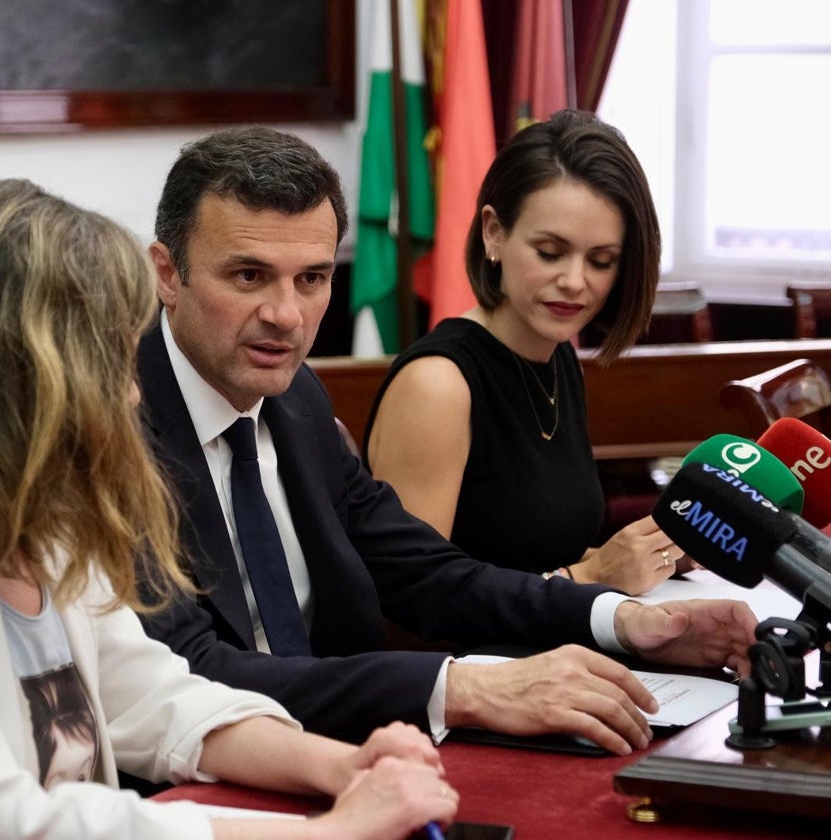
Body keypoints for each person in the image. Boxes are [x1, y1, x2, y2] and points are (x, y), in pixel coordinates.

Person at [0, 179, 459, 840]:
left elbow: (152, 697)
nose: (132, 393)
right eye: (108, 359)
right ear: (21, 373)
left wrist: (340, 764)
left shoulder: (41, 516)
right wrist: (330, 835)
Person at [137, 125, 757, 757]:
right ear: (168, 273)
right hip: (198, 777)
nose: (287, 316)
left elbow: (428, 574)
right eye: (248, 276)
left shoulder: (295, 399)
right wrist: (461, 688)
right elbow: (188, 669)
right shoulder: (105, 432)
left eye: (313, 278)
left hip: (361, 750)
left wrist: (624, 621)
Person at [365, 109, 683, 597]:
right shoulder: (438, 383)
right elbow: (409, 599)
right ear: (494, 232)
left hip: (553, 652)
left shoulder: (556, 358)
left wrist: (646, 556)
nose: (575, 282)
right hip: (475, 667)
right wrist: (589, 578)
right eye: (551, 252)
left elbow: (531, 554)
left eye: (601, 261)